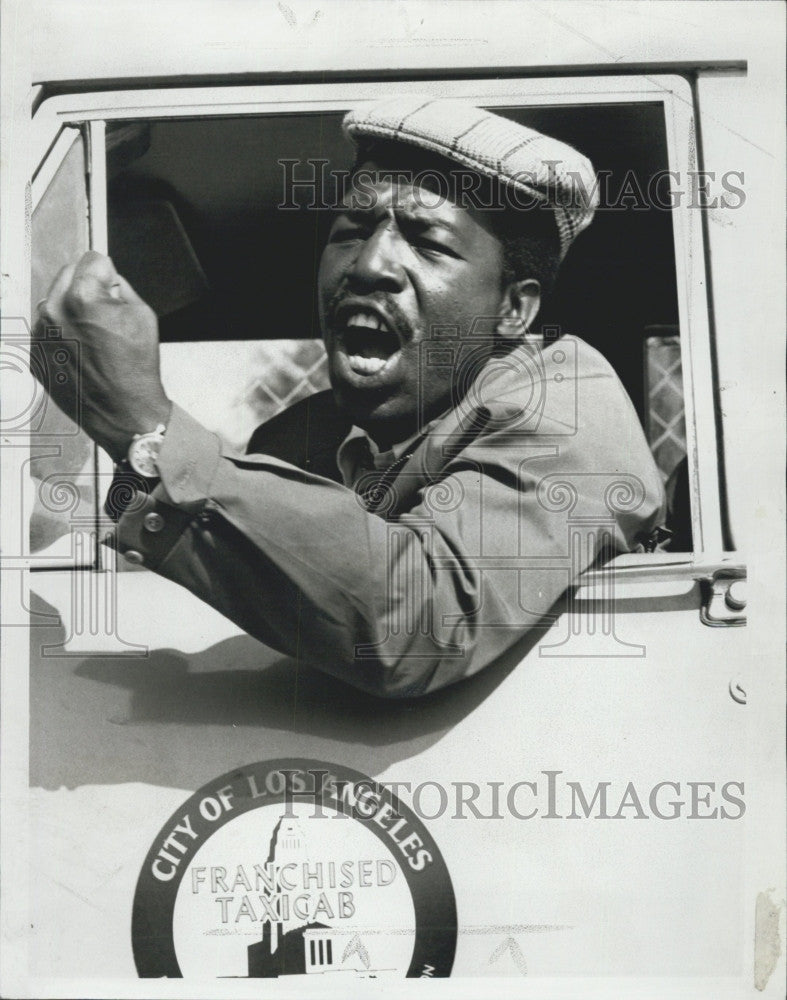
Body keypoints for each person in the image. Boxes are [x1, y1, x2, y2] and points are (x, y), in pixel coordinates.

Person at [33, 94, 665, 698]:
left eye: (427, 241)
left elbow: (421, 625)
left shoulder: (563, 399)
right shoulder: (298, 441)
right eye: (353, 227)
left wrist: (149, 433)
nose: (368, 264)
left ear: (513, 308)